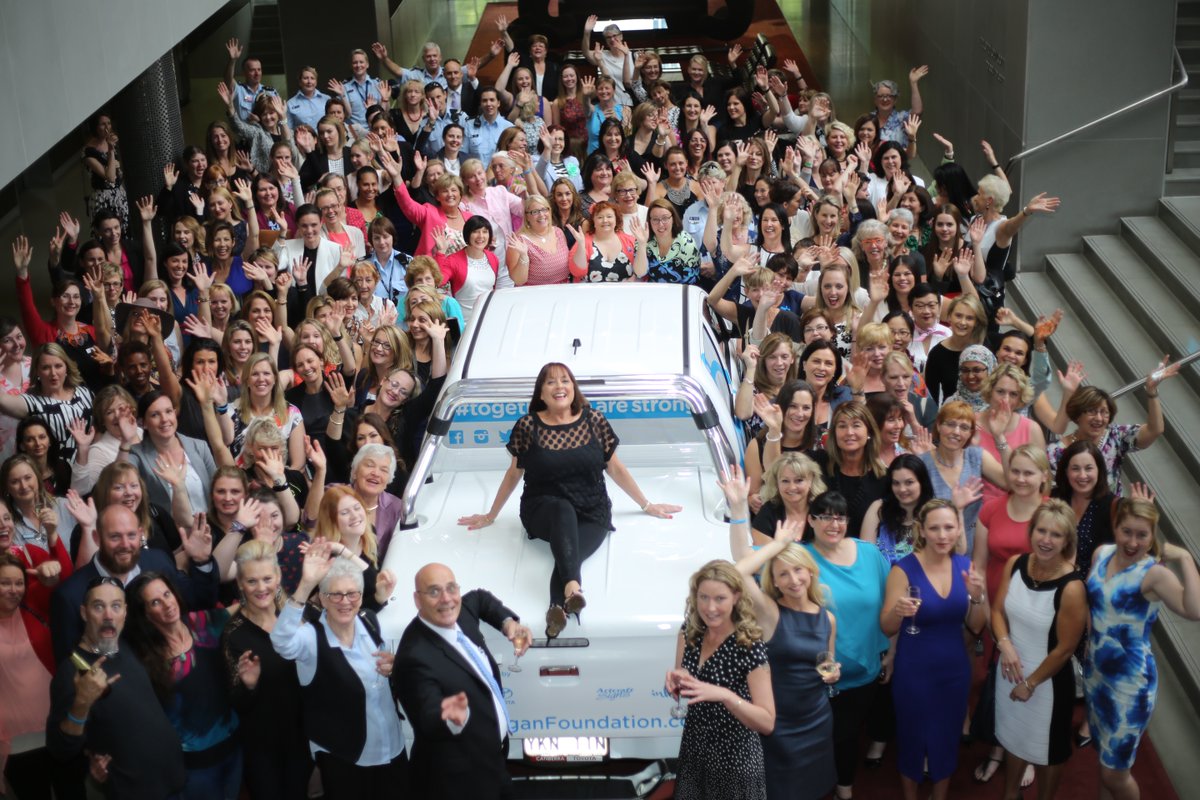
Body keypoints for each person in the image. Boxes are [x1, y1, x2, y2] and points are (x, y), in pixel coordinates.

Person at [459, 362, 679, 638]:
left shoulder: (594, 420)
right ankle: (573, 589)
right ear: (540, 392)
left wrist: (647, 505)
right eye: (551, 382)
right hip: (543, 509)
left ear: (574, 388)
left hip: (592, 510)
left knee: (567, 557)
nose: (559, 387)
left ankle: (558, 607)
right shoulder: (528, 426)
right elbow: (514, 473)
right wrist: (491, 515)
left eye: (565, 380)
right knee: (563, 515)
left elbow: (615, 468)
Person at [1083, 493, 1200, 800]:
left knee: (1115, 773)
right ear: (1116, 527)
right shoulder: (1102, 553)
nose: (1133, 542)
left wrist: (1186, 558)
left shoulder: (1154, 574)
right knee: (1102, 755)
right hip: (1096, 673)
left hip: (1130, 685)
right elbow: (1092, 606)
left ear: (1152, 536)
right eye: (1127, 532)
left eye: (1142, 535)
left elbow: (1194, 610)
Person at [270, 541, 409, 800]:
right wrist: (305, 585)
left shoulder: (368, 620)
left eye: (352, 593)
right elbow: (281, 642)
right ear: (322, 597)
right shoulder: (311, 638)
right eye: (335, 594)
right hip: (347, 757)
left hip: (392, 746)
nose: (345, 602)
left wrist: (394, 668)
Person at [725, 484, 837, 800]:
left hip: (816, 723)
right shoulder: (771, 613)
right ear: (773, 581)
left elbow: (827, 662)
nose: (794, 580)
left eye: (798, 570)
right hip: (777, 728)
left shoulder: (827, 618)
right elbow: (737, 573)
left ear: (811, 572)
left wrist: (831, 672)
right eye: (783, 575)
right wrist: (777, 545)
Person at [394, 562, 532, 799]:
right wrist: (451, 718)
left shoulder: (461, 614)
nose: (446, 599)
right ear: (417, 600)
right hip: (459, 781)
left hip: (493, 762)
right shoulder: (413, 656)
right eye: (434, 592)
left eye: (451, 588)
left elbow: (480, 598)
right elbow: (428, 718)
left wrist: (508, 622)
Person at [881, 499, 988, 800]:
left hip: (954, 670)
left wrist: (977, 598)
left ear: (958, 529)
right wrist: (898, 612)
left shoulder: (966, 566)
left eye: (949, 527)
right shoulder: (903, 570)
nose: (943, 535)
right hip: (913, 670)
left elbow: (977, 626)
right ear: (922, 531)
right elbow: (886, 627)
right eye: (935, 528)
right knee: (912, 737)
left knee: (947, 736)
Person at [46, 575, 187, 798]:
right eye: (98, 607)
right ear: (84, 613)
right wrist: (82, 703)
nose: (108, 616)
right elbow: (59, 749)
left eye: (116, 606)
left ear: (125, 613)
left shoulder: (129, 644)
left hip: (174, 781)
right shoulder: (71, 672)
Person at [991, 500, 1087, 800]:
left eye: (1056, 535)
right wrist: (1005, 645)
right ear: (1031, 532)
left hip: (1047, 684)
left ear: (1067, 540)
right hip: (1009, 670)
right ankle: (1010, 795)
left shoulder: (1072, 588)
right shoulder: (1016, 564)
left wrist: (1030, 684)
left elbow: (1066, 648)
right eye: (1041, 531)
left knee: (1050, 751)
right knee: (1012, 737)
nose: (1046, 540)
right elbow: (996, 612)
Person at [800, 491, 890, 799]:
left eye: (839, 516)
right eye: (824, 516)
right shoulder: (799, 558)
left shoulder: (870, 555)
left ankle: (844, 789)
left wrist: (892, 649)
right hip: (814, 672)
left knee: (846, 735)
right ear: (810, 520)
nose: (833, 523)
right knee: (817, 737)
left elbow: (890, 606)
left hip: (864, 667)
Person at [123, 571, 241, 800]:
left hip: (233, 748)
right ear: (145, 614)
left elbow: (245, 607)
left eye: (167, 594)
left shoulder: (201, 623)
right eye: (155, 602)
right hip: (193, 767)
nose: (167, 604)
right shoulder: (143, 660)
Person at [48, 505, 218, 663]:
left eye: (131, 535)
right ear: (96, 538)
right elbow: (71, 661)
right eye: (115, 537)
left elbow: (197, 601)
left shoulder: (158, 561)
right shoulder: (70, 596)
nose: (125, 544)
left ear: (140, 534)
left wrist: (202, 561)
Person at [665, 559, 775, 800]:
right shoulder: (689, 632)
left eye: (719, 599)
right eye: (703, 597)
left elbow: (767, 722)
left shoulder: (749, 646)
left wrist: (725, 695)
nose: (710, 607)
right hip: (695, 751)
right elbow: (685, 678)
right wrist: (678, 679)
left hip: (735, 762)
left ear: (736, 597)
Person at [220, 539, 313, 800]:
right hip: (262, 749)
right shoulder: (233, 634)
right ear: (239, 583)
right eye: (251, 581)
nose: (261, 588)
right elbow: (235, 702)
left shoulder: (296, 618)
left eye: (266, 579)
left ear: (278, 576)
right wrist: (249, 685)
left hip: (301, 740)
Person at [1047, 360, 1179, 497]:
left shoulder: (1116, 436)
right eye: (1092, 411)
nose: (1099, 418)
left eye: (1104, 412)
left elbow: (1155, 430)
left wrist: (1152, 392)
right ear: (1078, 415)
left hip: (1111, 514)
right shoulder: (1055, 451)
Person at [0, 550, 64, 800]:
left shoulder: (35, 609)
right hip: (16, 743)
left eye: (18, 583)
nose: (13, 590)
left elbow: (61, 577)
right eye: (4, 582)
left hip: (58, 730)